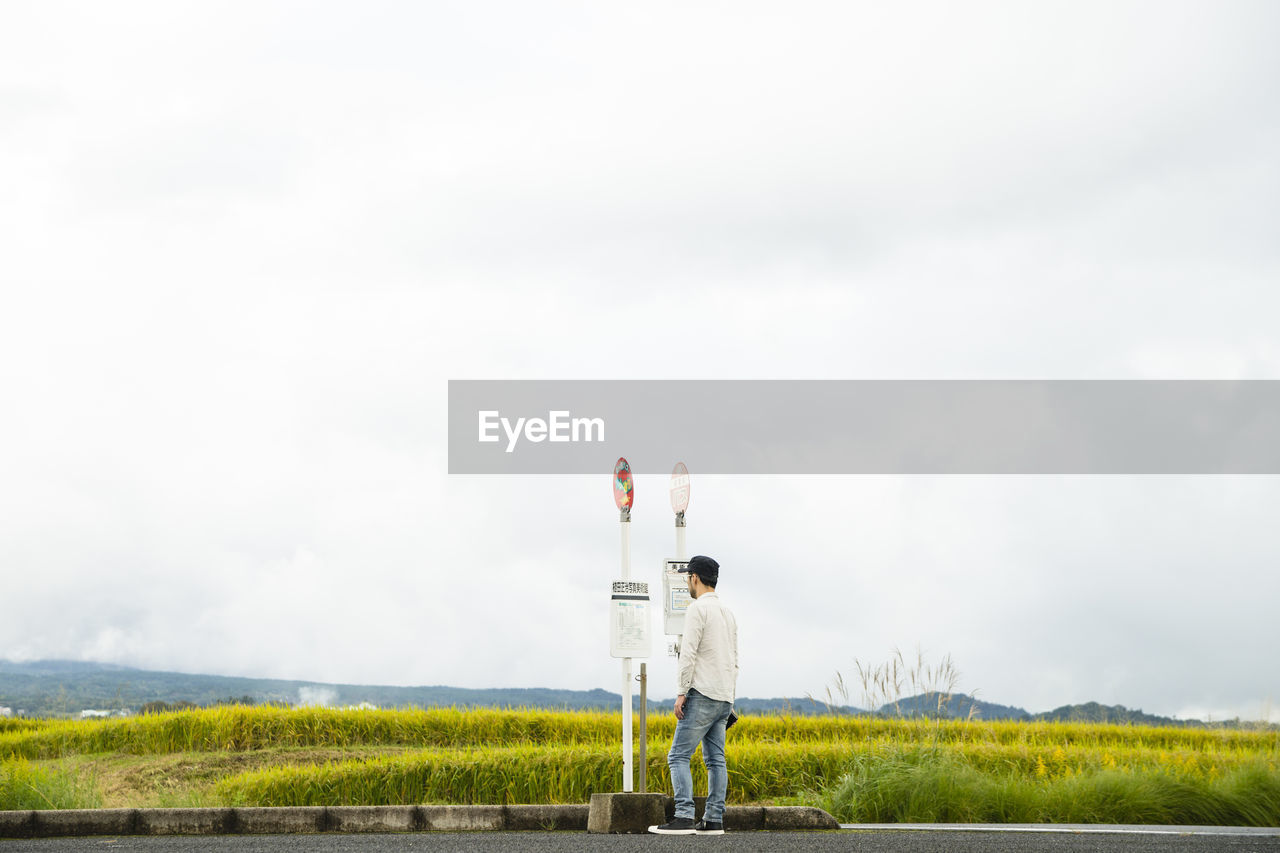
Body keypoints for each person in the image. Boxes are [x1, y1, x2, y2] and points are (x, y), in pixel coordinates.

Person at [649, 555, 739, 836]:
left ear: (695, 578)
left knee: (678, 756)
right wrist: (730, 698)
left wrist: (681, 692)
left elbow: (688, 654)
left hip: (701, 693)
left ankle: (684, 816)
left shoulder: (697, 610)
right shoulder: (728, 613)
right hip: (724, 697)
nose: (688, 581)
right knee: (716, 760)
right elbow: (735, 659)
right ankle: (713, 820)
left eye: (689, 576)